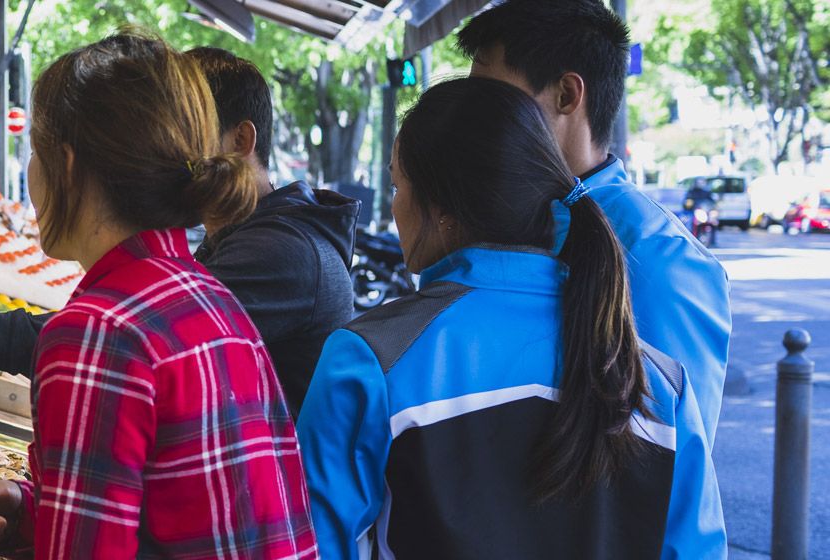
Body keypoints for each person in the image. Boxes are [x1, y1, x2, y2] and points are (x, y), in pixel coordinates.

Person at [298, 78, 725, 559]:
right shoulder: (664, 387)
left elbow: (315, 545)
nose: (395, 205)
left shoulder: (370, 360)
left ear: (441, 211)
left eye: (398, 185)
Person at [0, 47, 358, 413]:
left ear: (69, 166)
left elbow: (108, 343)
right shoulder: (210, 258)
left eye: (182, 138)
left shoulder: (281, 255)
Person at [0, 31, 312, 559]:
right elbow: (166, 511)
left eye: (34, 153)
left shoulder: (98, 332)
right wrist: (28, 510)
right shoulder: (207, 296)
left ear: (66, 165)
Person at [458, 0, 729, 437]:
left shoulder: (657, 256)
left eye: (491, 98)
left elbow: (670, 457)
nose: (472, 118)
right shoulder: (500, 217)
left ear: (567, 95)